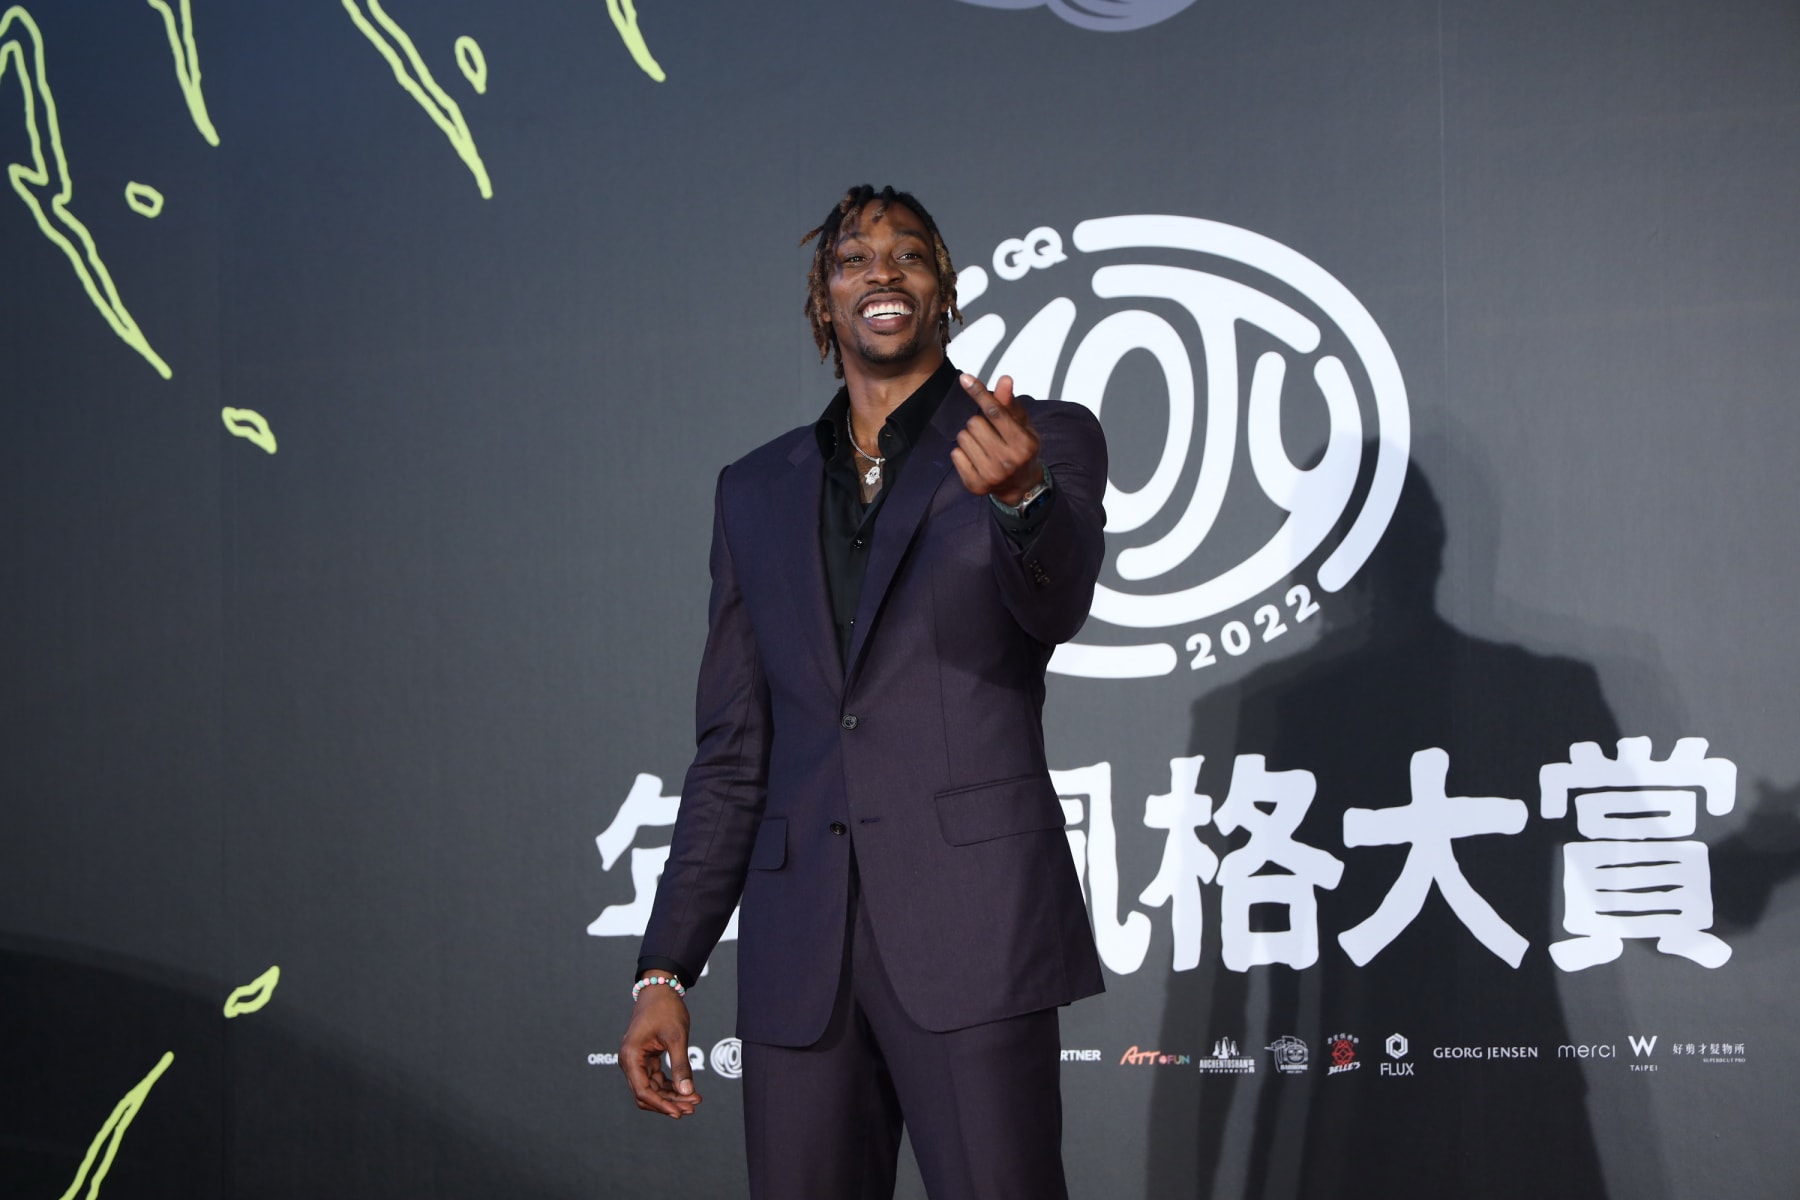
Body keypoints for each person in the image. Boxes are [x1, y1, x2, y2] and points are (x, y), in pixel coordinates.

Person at [619, 184, 1108, 1199]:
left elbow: (1055, 605)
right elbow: (734, 745)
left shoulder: (1035, 436)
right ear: (822, 301)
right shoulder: (753, 491)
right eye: (852, 260)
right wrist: (666, 969)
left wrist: (1022, 501)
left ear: (944, 292)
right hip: (802, 956)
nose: (881, 272)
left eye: (909, 256)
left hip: (973, 933)